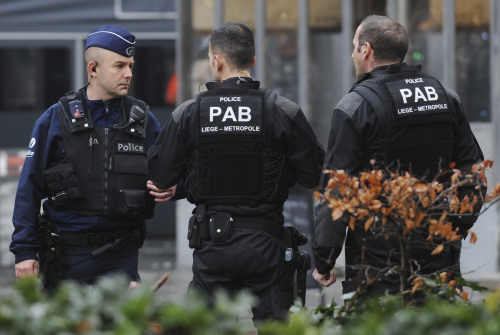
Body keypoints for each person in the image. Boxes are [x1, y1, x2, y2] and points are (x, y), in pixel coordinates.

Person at [147, 22, 324, 325]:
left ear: (216, 60)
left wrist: (189, 181)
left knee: (203, 330)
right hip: (267, 246)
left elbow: (160, 176)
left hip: (212, 247)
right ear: (252, 61)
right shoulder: (283, 110)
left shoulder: (189, 113)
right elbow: (313, 176)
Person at [312, 15, 484, 297]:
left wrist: (324, 259)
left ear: (366, 50)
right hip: (438, 256)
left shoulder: (356, 105)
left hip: (376, 263)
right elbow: (473, 174)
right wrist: (453, 230)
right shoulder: (445, 96)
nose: (352, 54)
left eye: (354, 47)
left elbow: (336, 193)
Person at [10, 25, 167, 292]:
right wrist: (25, 251)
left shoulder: (143, 120)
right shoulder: (55, 119)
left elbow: (172, 173)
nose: (128, 74)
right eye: (119, 66)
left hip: (121, 256)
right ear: (93, 69)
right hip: (66, 257)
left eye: (130, 65)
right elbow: (29, 187)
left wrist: (175, 186)